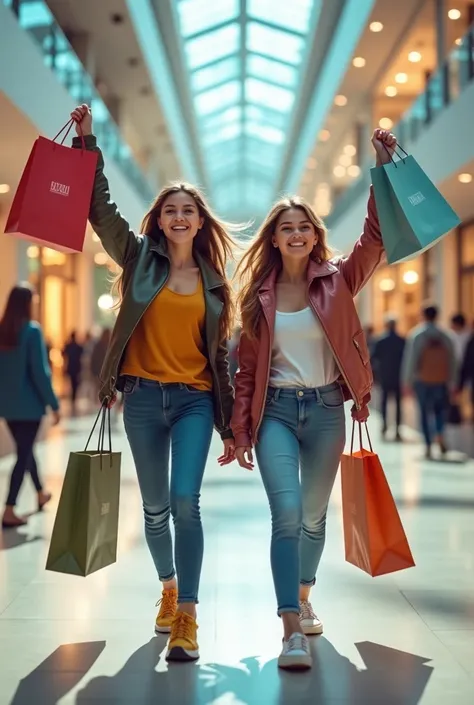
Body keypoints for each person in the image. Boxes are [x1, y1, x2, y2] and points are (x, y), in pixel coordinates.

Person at [70, 104, 237, 663]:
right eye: (171, 210)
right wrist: (88, 142)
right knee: (154, 509)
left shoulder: (214, 283)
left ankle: (187, 614)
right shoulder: (138, 258)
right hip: (141, 397)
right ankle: (168, 587)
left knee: (185, 502)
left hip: (193, 402)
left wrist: (233, 425)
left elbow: (222, 359)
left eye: (188, 209)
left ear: (200, 220)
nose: (180, 216)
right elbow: (99, 210)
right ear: (160, 220)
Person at [229, 129, 397, 670]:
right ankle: (290, 631)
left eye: (304, 226)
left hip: (326, 410)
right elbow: (247, 371)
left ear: (314, 235)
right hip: (275, 411)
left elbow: (375, 237)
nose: (296, 233)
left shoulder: (339, 281)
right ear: (274, 240)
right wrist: (239, 430)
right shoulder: (260, 297)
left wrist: (382, 170)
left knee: (314, 518)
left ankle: (304, 597)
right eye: (286, 228)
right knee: (287, 515)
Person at [0, 284, 60, 528]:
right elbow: (40, 373)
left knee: (26, 450)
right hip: (30, 406)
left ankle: (40, 493)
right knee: (23, 453)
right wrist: (53, 404)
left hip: (7, 406)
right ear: (27, 303)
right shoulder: (32, 331)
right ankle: (10, 508)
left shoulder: (3, 331)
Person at [402, 306, 456, 459]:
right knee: (440, 410)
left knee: (424, 412)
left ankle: (427, 445)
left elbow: (410, 360)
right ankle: (439, 433)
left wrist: (407, 381)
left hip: (422, 380)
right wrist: (452, 381)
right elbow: (453, 361)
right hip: (441, 380)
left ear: (423, 316)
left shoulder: (417, 335)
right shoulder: (446, 336)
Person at [371, 315, 406, 440]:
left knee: (384, 402)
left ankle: (385, 425)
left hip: (384, 376)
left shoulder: (380, 340)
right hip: (398, 375)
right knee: (398, 404)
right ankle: (397, 429)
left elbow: (373, 358)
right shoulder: (402, 340)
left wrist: (374, 376)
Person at [62, 331, 84, 414]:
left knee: (72, 383)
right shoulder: (78, 346)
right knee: (75, 384)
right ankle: (73, 398)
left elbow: (63, 353)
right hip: (76, 368)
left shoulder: (69, 346)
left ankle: (73, 398)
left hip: (71, 367)